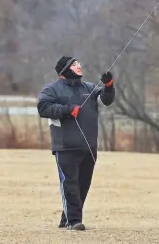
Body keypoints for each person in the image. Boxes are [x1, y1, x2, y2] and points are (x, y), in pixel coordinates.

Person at [37, 56, 115, 231]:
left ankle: (67, 217)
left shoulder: (90, 88)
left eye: (79, 63)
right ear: (65, 69)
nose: (79, 66)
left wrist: (109, 87)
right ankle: (74, 221)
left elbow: (106, 100)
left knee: (83, 185)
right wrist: (67, 110)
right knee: (69, 184)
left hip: (89, 147)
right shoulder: (52, 89)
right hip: (65, 147)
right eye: (74, 64)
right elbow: (43, 108)